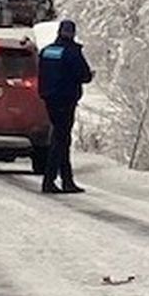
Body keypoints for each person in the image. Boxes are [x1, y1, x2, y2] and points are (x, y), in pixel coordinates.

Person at [38, 20, 94, 194]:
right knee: (60, 140)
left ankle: (66, 180)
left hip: (50, 99)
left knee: (61, 138)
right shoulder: (72, 53)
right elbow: (84, 75)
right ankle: (50, 180)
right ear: (72, 33)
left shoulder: (47, 51)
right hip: (66, 100)